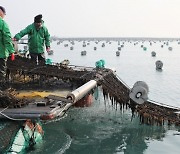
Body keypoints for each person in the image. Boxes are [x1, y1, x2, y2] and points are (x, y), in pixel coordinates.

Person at [0, 6, 15, 87]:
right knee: (1, 72)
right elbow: (7, 39)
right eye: (4, 14)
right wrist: (12, 51)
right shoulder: (2, 24)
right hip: (1, 53)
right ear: (1, 12)